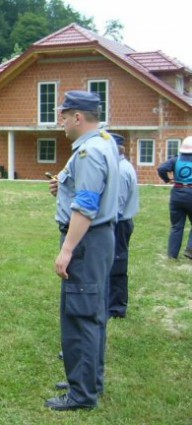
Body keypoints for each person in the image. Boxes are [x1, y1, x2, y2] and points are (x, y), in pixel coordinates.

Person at [47, 91, 119, 411]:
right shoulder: (104, 141)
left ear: (78, 118)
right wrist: (63, 185)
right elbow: (88, 190)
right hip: (99, 240)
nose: (60, 121)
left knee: (81, 316)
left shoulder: (89, 152)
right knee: (92, 313)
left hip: (86, 242)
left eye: (64, 115)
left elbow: (87, 206)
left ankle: (82, 394)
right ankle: (88, 379)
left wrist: (67, 250)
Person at [108, 133, 139, 319]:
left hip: (119, 223)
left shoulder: (119, 171)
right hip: (122, 222)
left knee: (117, 264)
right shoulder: (122, 166)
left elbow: (116, 206)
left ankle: (116, 308)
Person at [157, 136, 192, 259]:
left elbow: (161, 168)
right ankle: (190, 249)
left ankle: (172, 255)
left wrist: (167, 179)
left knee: (176, 225)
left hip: (177, 193)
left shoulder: (175, 160)